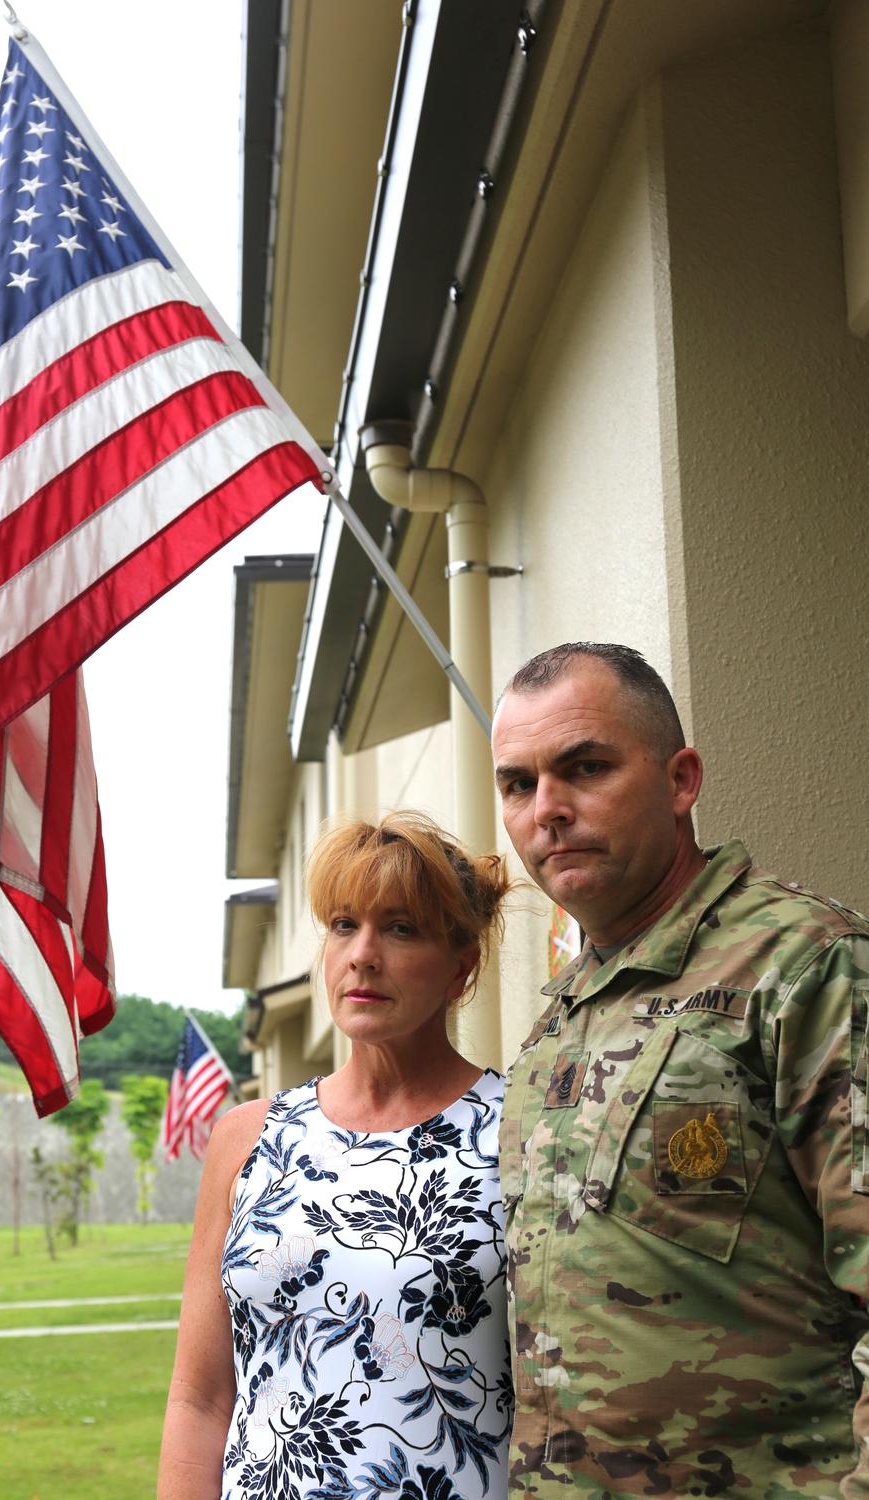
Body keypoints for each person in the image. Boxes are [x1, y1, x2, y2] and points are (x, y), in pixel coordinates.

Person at [490, 641, 869, 1499]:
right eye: (518, 783)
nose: (547, 810)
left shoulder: (805, 967)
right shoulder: (562, 1015)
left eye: (584, 767)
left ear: (680, 780)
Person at [158, 811, 515, 1500]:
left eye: (401, 928)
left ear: (460, 969)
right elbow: (198, 1398)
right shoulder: (246, 1138)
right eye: (344, 924)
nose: (363, 954)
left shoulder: (517, 1132)